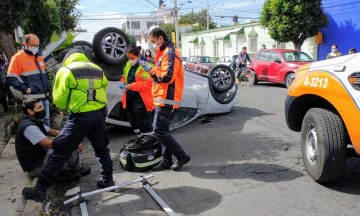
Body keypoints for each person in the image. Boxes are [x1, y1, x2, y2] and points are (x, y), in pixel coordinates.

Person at [22, 49, 114, 202]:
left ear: (67, 58)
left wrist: (64, 109)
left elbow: (59, 98)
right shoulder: (97, 69)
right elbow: (103, 89)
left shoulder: (66, 70)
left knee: (60, 149)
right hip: (98, 115)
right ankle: (108, 180)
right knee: (102, 148)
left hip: (79, 117)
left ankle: (40, 190)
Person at [142, 27, 190, 172]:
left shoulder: (170, 53)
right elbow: (162, 73)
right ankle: (166, 160)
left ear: (160, 38)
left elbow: (167, 77)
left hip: (167, 98)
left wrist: (150, 70)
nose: (154, 45)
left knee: (159, 131)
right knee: (164, 131)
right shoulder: (163, 53)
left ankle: (181, 156)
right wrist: (150, 68)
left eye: (154, 42)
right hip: (162, 97)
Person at [15, 98, 90, 180]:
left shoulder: (34, 121)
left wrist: (71, 137)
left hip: (41, 157)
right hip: (36, 167)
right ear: (30, 111)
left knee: (68, 138)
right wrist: (71, 142)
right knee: (64, 144)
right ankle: (64, 172)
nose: (42, 109)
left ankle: (74, 168)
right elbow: (49, 144)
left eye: (42, 107)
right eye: (39, 108)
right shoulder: (29, 127)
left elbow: (53, 132)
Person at [6, 34, 51, 126]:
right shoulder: (18, 58)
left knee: (46, 121)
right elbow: (10, 78)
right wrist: (25, 88)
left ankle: (46, 139)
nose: (36, 47)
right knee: (36, 123)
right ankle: (38, 139)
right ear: (25, 44)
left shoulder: (39, 56)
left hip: (44, 96)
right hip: (31, 98)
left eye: (37, 45)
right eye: (33, 45)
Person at [120, 45, 154, 137]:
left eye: (132, 58)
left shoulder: (147, 67)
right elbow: (124, 77)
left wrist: (131, 86)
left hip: (141, 98)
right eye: (128, 58)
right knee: (133, 121)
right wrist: (122, 83)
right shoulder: (128, 65)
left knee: (143, 121)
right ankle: (140, 138)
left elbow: (149, 84)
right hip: (129, 97)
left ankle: (148, 140)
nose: (130, 60)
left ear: (138, 56)